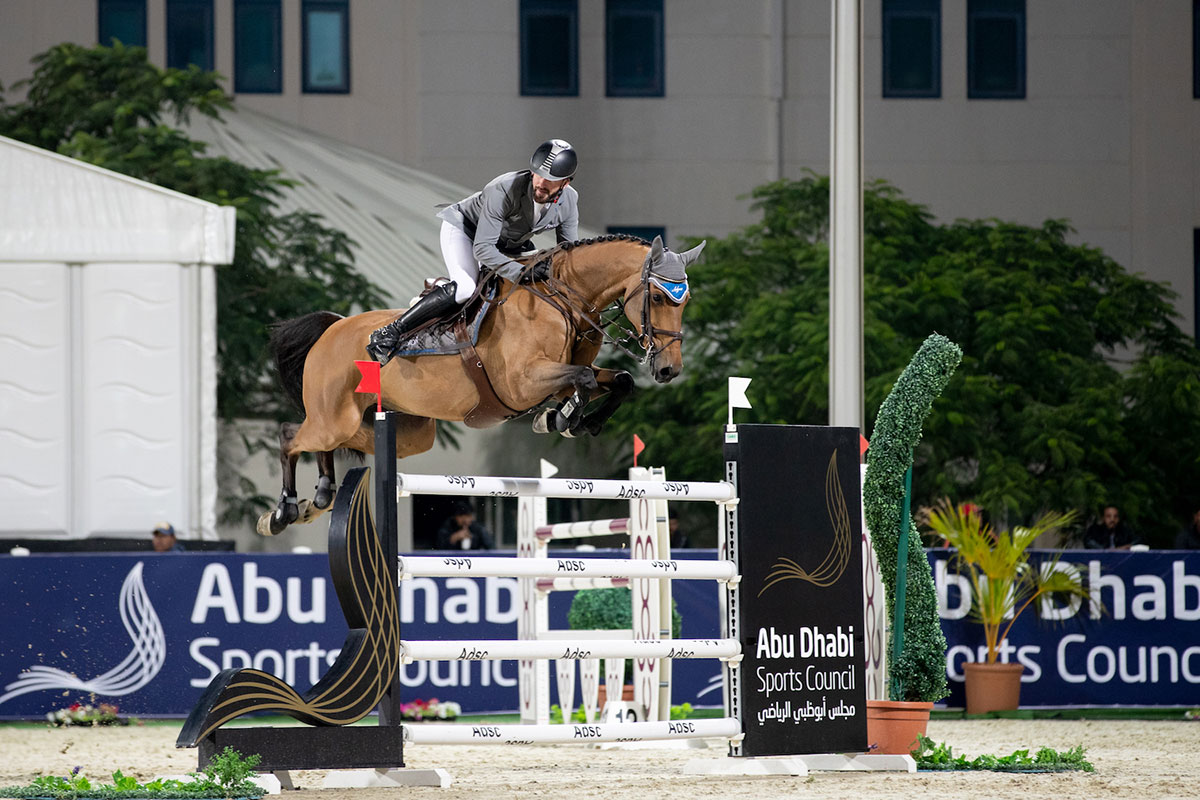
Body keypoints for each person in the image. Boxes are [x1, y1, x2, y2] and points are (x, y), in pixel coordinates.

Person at [367, 138, 580, 364]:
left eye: (551, 180)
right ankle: (391, 331)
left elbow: (568, 252)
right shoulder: (504, 187)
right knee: (467, 287)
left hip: (508, 242)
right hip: (466, 230)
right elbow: (483, 248)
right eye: (538, 174)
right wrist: (520, 273)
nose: (541, 183)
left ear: (565, 183)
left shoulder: (569, 200)